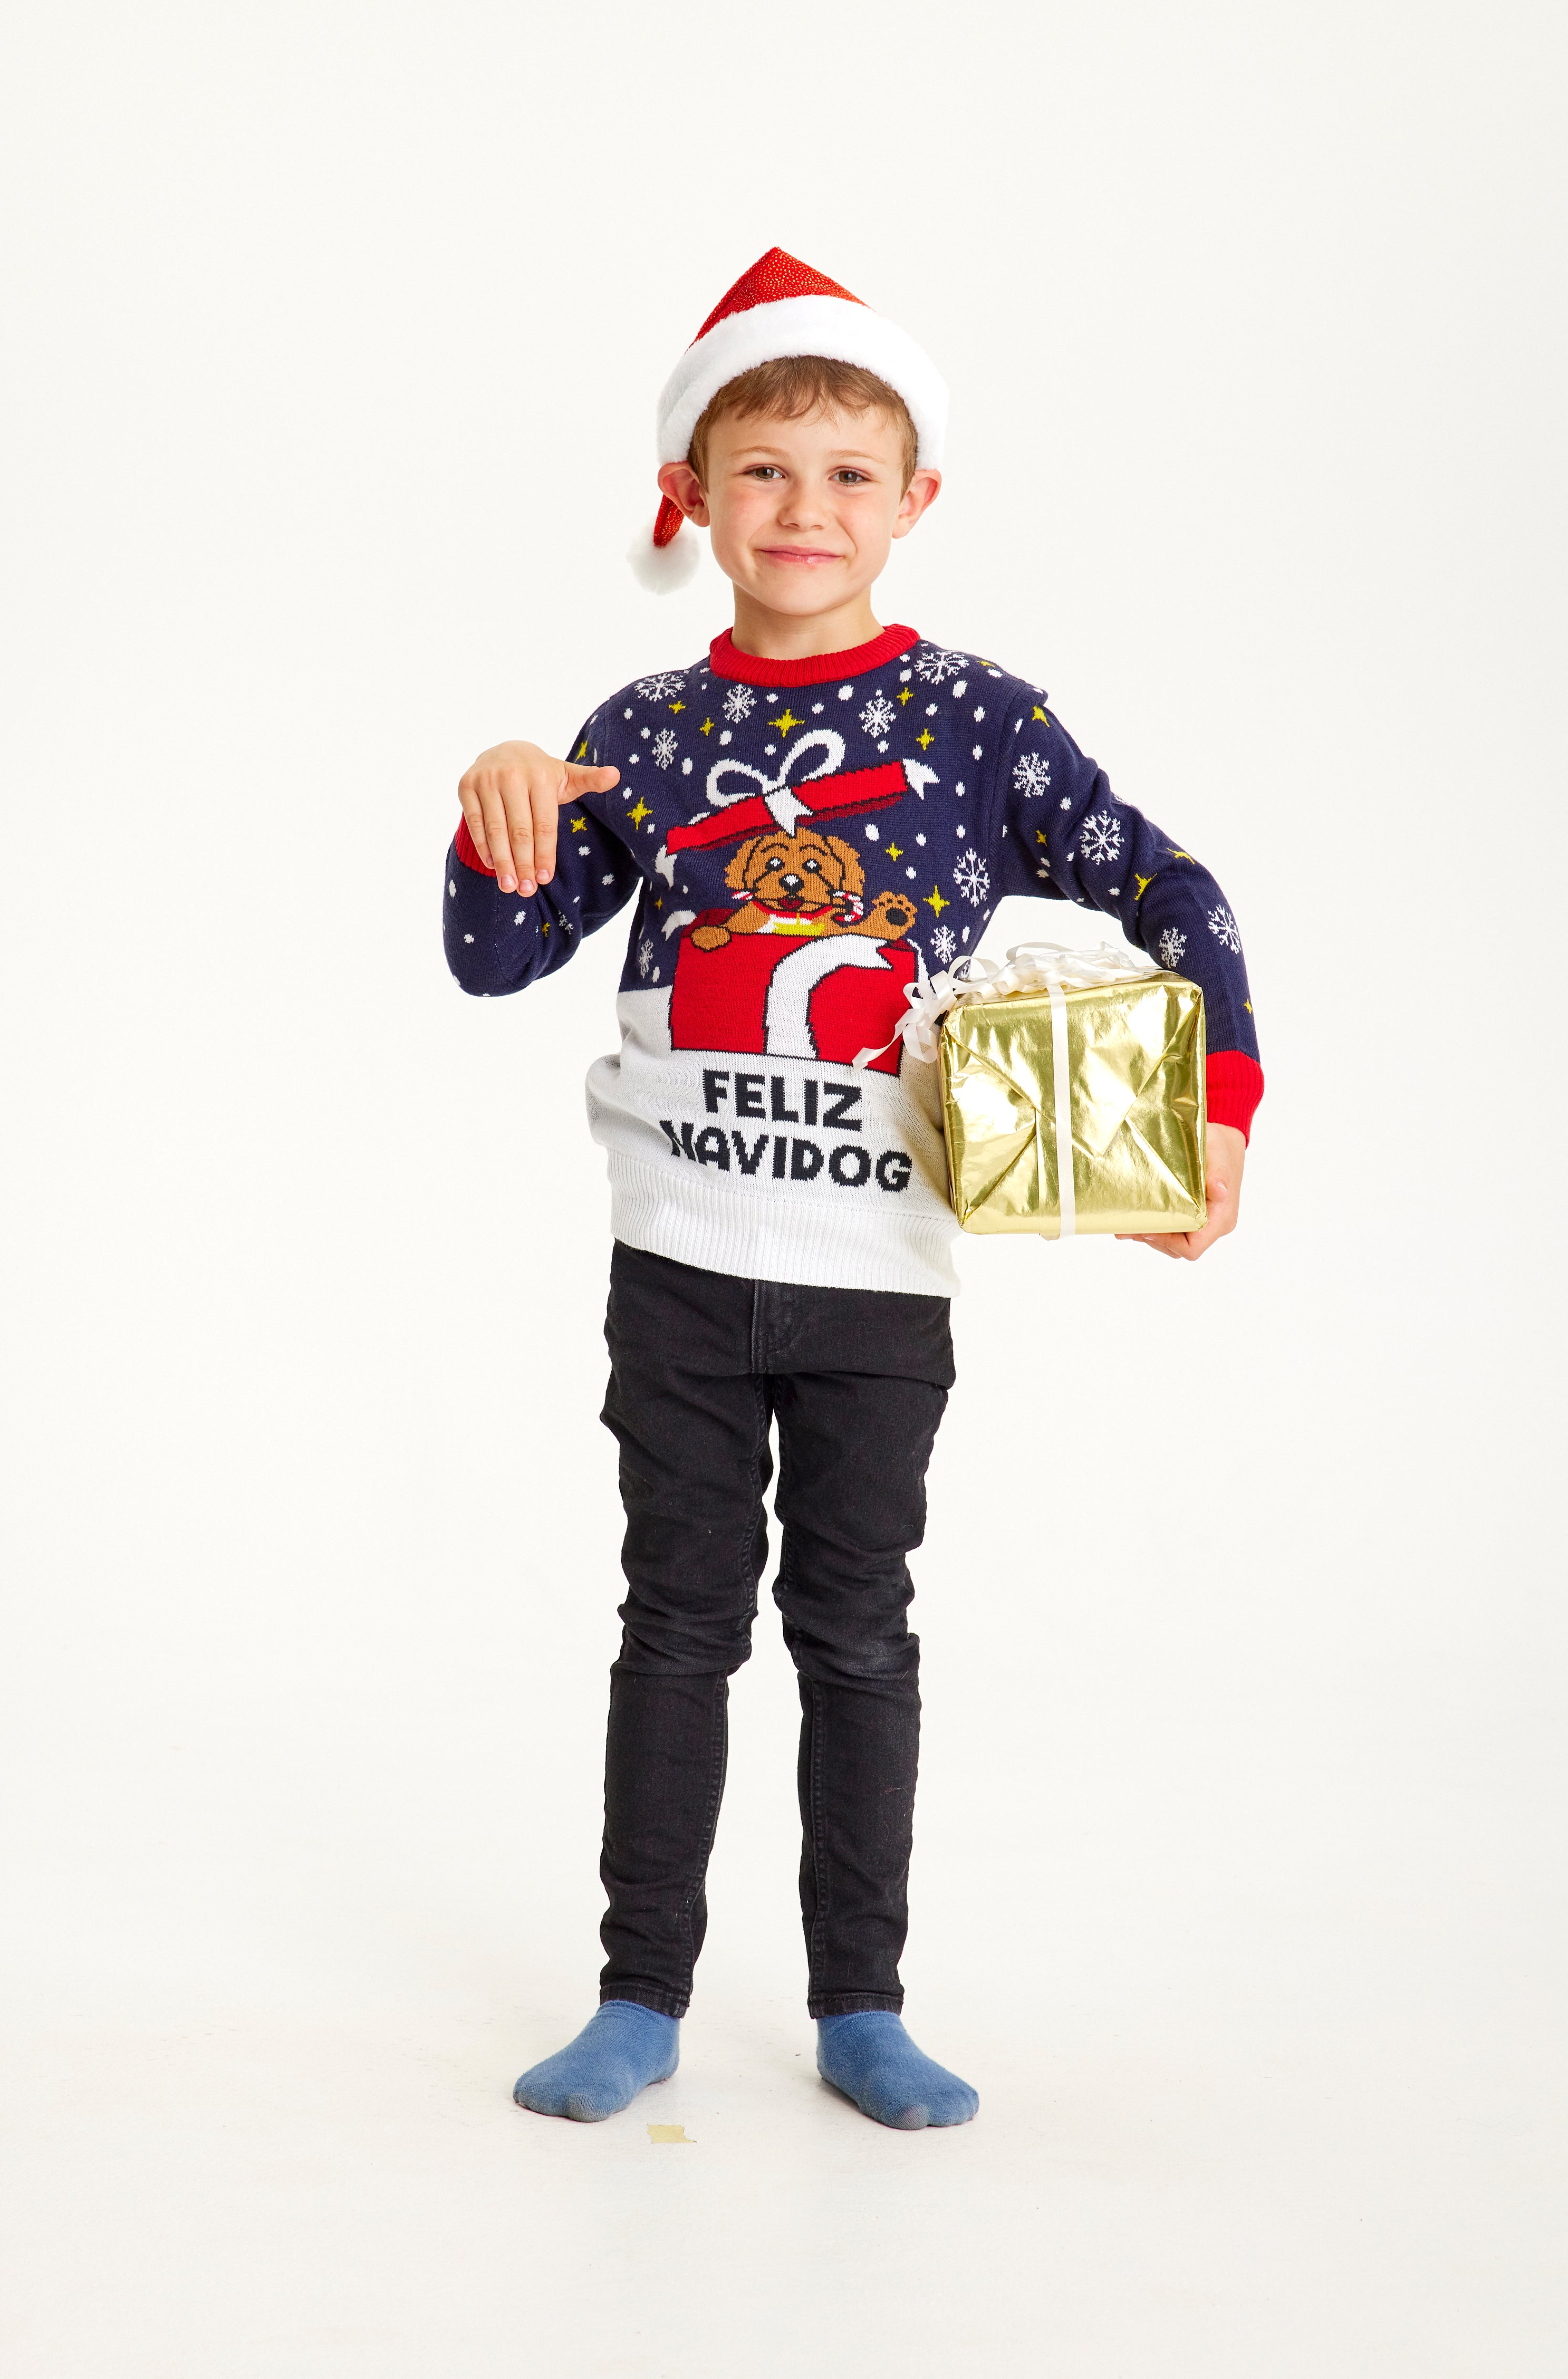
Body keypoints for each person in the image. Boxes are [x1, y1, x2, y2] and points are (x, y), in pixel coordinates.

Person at [444, 249, 1263, 2131]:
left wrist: (1215, 1102)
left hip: (879, 1273)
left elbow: (1176, 891)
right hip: (677, 1263)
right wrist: (501, 799)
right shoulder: (647, 728)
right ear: (692, 495)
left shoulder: (976, 720)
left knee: (857, 1629)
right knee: (676, 1622)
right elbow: (498, 957)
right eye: (761, 469)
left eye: (846, 473)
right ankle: (639, 1990)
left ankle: (860, 2005)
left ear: (915, 500)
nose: (802, 508)